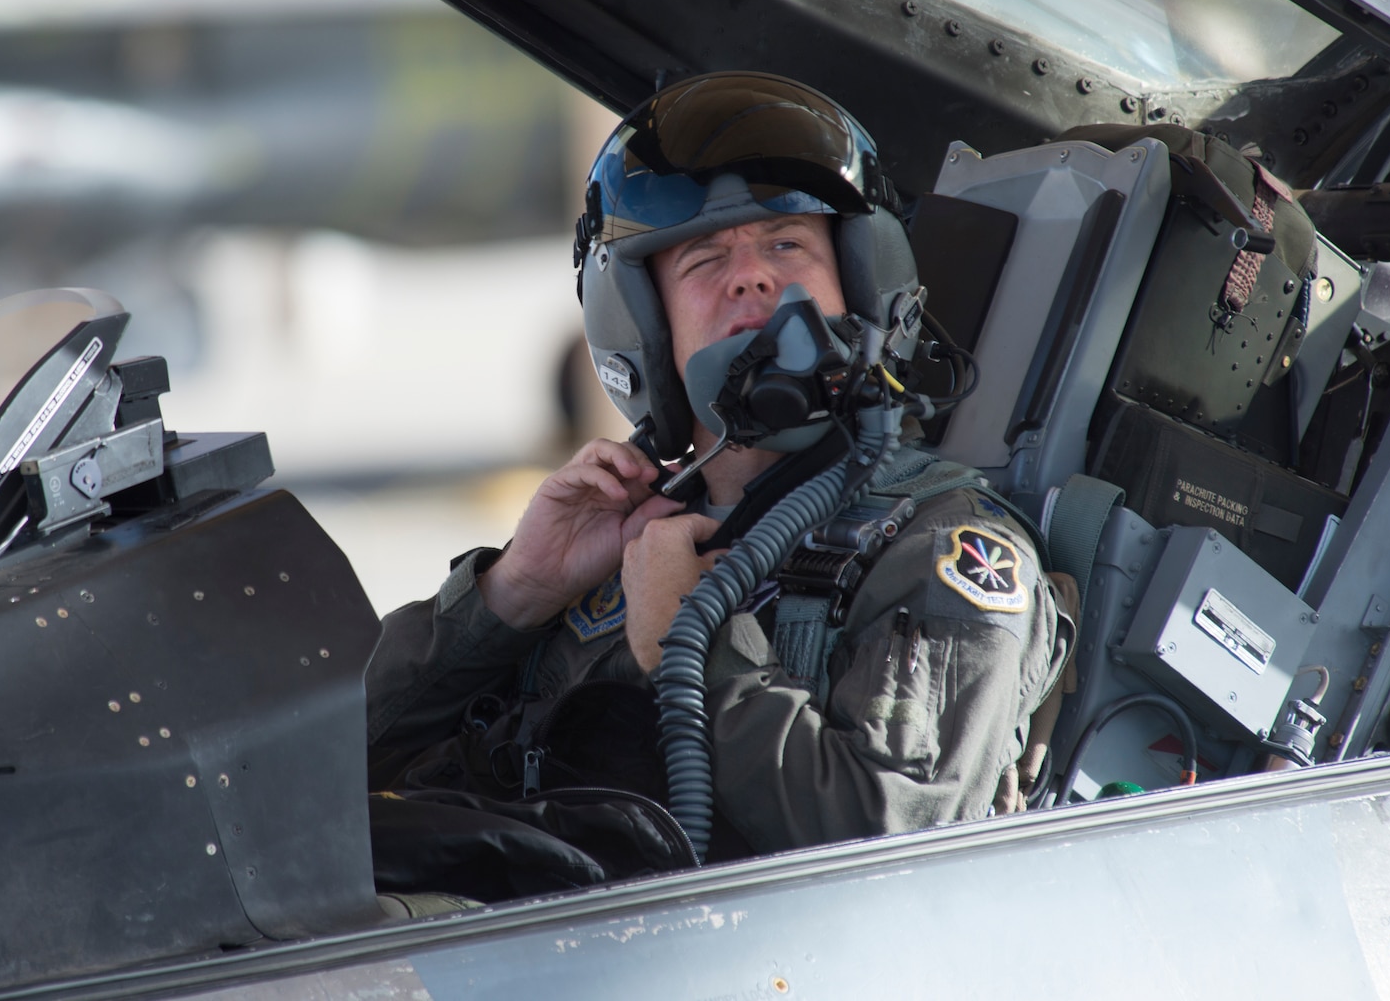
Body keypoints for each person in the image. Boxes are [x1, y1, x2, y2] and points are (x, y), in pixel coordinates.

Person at [364, 73, 1073, 900]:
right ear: (644, 325)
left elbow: (891, 854)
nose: (752, 278)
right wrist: (511, 591)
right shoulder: (619, 537)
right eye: (705, 258)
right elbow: (319, 771)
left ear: (862, 282)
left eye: (786, 244)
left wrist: (687, 646)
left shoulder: (942, 549)